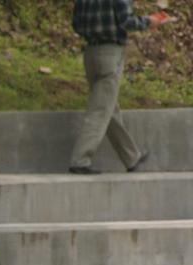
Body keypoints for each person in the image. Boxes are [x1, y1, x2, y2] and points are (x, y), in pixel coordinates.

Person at [68, 1, 172, 174]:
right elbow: (127, 21)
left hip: (90, 53)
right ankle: (80, 160)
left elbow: (76, 24)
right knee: (101, 109)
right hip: (110, 52)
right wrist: (150, 21)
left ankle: (131, 157)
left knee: (109, 107)